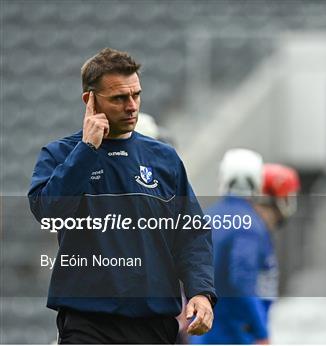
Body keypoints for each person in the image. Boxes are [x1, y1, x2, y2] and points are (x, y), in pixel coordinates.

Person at [28, 48, 216, 344]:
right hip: (88, 324)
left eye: (136, 95)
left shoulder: (164, 158)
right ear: (90, 100)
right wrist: (86, 151)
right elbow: (49, 213)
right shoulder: (60, 154)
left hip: (153, 326)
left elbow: (191, 234)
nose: (131, 106)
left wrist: (201, 292)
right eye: (119, 98)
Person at [193, 149, 300, 344]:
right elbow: (241, 281)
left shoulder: (208, 216)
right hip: (235, 333)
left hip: (207, 332)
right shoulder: (248, 224)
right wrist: (261, 332)